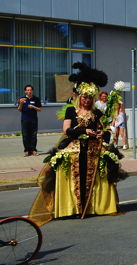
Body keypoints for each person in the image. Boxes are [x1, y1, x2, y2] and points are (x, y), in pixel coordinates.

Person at [29, 64, 121, 225]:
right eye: (84, 97)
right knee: (73, 177)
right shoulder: (71, 111)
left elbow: (106, 131)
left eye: (89, 98)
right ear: (79, 96)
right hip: (74, 149)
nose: (86, 100)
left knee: (96, 173)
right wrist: (84, 132)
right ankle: (72, 208)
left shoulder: (97, 113)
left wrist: (101, 134)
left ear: (93, 98)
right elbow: (67, 130)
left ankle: (91, 207)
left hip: (92, 150)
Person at [18, 84, 42, 156]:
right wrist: (21, 103)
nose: (29, 91)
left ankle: (33, 150)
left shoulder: (36, 99)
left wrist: (33, 107)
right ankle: (27, 150)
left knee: (33, 135)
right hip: (25, 119)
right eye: (28, 90)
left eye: (30, 90)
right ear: (25, 91)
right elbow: (19, 109)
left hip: (33, 119)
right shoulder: (22, 99)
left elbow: (40, 109)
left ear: (32, 91)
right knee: (25, 135)